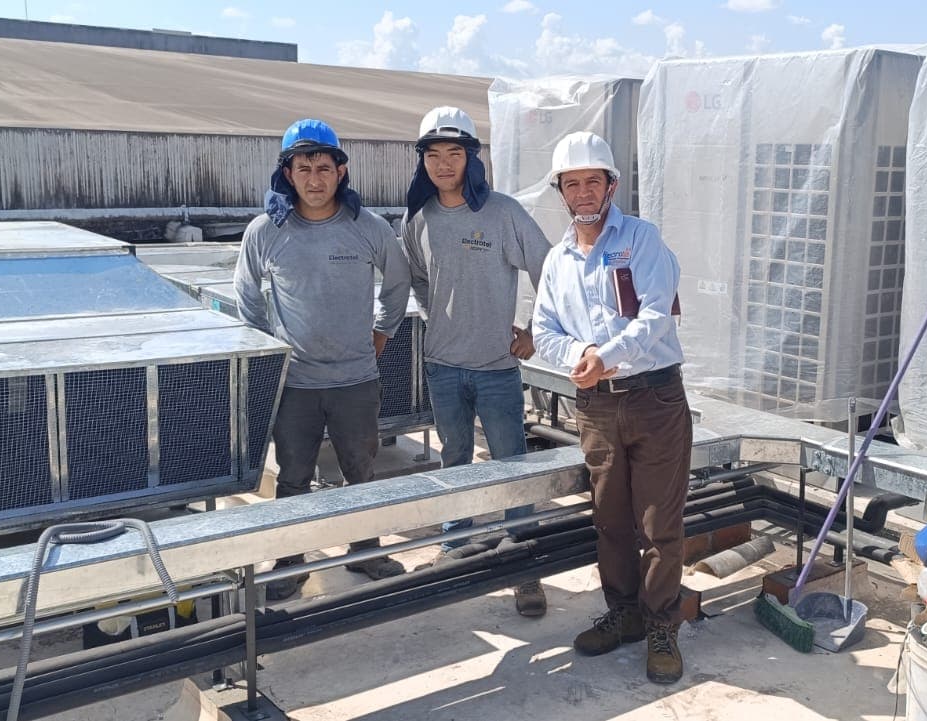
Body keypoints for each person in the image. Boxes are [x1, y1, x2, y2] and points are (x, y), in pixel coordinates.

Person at [531, 131, 691, 684]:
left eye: (591, 181)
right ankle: (623, 613)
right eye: (571, 183)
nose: (582, 192)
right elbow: (543, 330)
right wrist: (583, 356)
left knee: (658, 524)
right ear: (561, 191)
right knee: (611, 521)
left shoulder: (642, 240)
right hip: (596, 405)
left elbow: (654, 318)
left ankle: (661, 626)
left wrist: (605, 355)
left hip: (654, 397)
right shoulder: (558, 261)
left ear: (611, 185)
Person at [235, 118, 413, 602]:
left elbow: (398, 283)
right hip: (295, 385)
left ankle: (367, 549)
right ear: (287, 174)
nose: (314, 179)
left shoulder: (367, 228)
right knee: (292, 475)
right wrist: (270, 352)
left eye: (323, 167)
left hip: (356, 379)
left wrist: (382, 331)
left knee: (361, 469)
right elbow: (246, 295)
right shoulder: (265, 232)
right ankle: (292, 559)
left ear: (341, 171)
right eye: (303, 168)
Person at [402, 106, 553, 617]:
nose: (444, 164)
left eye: (455, 153)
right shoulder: (418, 220)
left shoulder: (503, 214)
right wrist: (439, 315)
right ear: (422, 160)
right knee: (454, 460)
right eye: (434, 154)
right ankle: (453, 548)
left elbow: (549, 269)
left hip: (495, 368)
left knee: (513, 465)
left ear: (471, 158)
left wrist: (535, 330)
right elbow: (419, 278)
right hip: (442, 366)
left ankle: (523, 562)